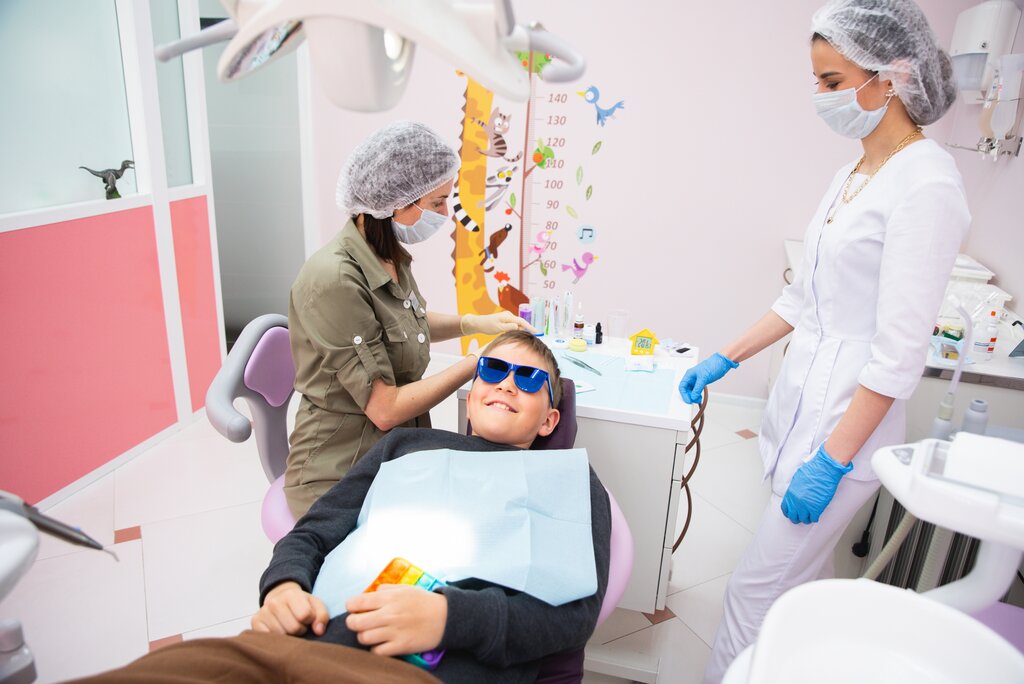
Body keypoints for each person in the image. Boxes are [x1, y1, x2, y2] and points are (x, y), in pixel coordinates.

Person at [676, 2, 971, 681]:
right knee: (797, 587)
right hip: (801, 411)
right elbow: (802, 300)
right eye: (817, 80)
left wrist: (832, 462)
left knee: (753, 595)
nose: (820, 96)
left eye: (832, 81)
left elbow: (899, 354)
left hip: (843, 435)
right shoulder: (854, 175)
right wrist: (725, 357)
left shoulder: (927, 184)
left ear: (891, 77)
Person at [71, 332, 610, 684]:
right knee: (169, 668)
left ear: (549, 420)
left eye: (529, 379)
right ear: (470, 394)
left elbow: (572, 618)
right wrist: (283, 587)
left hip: (423, 670)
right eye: (492, 370)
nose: (507, 384)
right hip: (294, 644)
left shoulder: (569, 481)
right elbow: (314, 531)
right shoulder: (404, 446)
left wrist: (451, 618)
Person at [287, 121, 534, 518]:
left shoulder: (386, 254)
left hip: (398, 445)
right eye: (438, 203)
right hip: (341, 465)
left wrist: (474, 322)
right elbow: (384, 409)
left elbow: (406, 326)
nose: (445, 214)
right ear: (396, 203)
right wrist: (477, 362)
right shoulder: (334, 280)